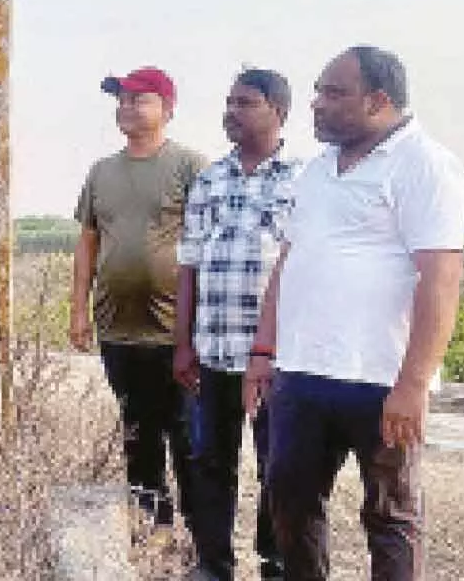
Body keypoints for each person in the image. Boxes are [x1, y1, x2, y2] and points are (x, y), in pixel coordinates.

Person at [244, 46, 464, 580]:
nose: (316, 104)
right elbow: (290, 262)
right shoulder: (316, 171)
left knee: (390, 516)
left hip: (380, 377)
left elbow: (441, 280)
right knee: (288, 499)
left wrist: (413, 385)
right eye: (318, 91)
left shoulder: (426, 166)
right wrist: (263, 350)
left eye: (334, 93)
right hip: (301, 372)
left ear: (378, 101)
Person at [70, 66, 208, 530]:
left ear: (168, 110)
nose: (127, 107)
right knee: (137, 432)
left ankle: (200, 536)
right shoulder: (101, 172)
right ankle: (152, 525)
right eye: (122, 100)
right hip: (118, 328)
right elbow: (88, 242)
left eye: (139, 99)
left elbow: (208, 243)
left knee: (186, 434)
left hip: (176, 331)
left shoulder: (190, 166)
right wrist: (78, 311)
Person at [174, 68, 298, 581]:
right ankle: (213, 564)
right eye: (228, 102)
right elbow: (188, 264)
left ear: (278, 112)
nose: (231, 112)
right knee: (210, 461)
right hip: (214, 349)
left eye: (245, 103)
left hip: (275, 356)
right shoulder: (210, 179)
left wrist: (274, 350)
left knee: (278, 465)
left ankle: (275, 563)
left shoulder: (303, 179)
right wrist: (183, 344)